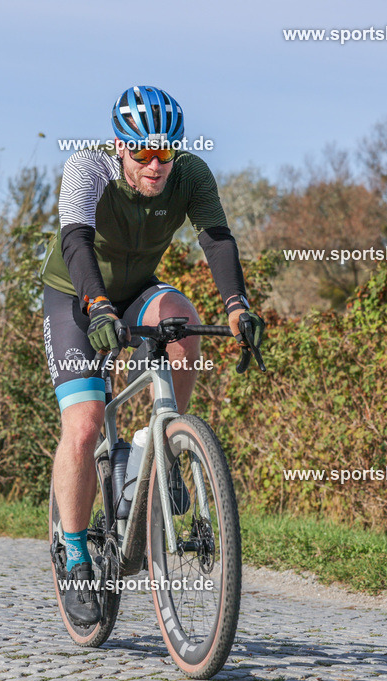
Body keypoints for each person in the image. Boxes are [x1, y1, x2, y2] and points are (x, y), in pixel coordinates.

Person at [40, 85, 264, 626]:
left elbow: (216, 239)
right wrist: (97, 307)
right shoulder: (87, 167)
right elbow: (75, 242)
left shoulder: (191, 175)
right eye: (141, 153)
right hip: (76, 295)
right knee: (85, 423)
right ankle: (74, 556)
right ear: (120, 146)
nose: (155, 165)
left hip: (138, 289)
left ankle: (154, 445)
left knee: (182, 318)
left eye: (164, 151)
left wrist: (238, 306)